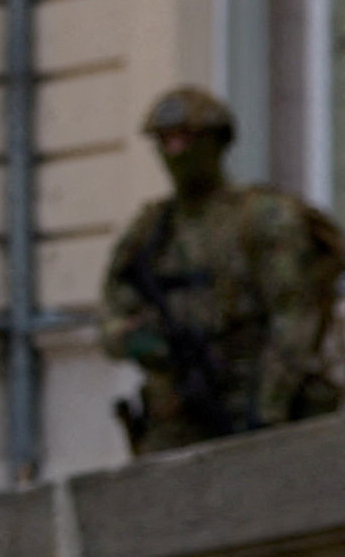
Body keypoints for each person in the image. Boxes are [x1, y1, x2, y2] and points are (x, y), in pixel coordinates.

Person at [99, 86, 343, 454]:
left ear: (215, 143)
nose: (175, 153)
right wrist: (136, 339)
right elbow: (113, 309)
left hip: (257, 396)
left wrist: (269, 407)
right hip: (179, 409)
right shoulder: (151, 231)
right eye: (165, 142)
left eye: (186, 140)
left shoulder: (264, 217)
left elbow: (295, 316)